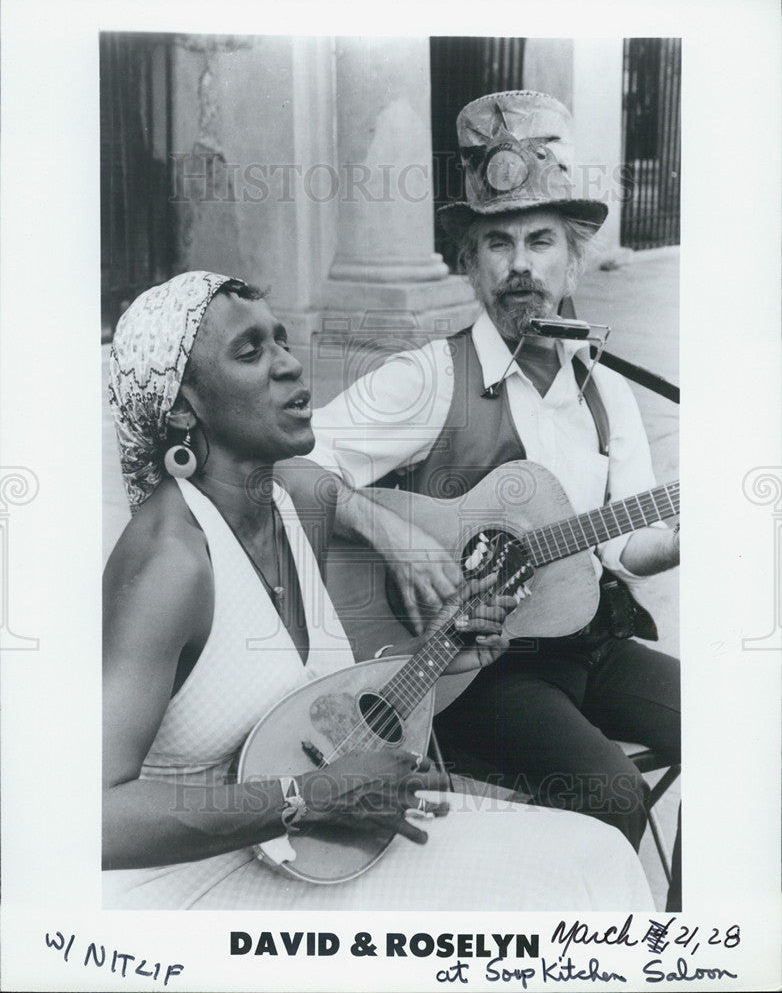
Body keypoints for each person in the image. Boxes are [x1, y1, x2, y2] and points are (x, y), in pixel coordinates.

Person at [102, 270, 655, 911]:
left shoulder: (285, 499)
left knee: (599, 856)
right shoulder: (170, 561)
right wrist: (308, 797)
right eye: (250, 353)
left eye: (281, 340)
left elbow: (330, 488)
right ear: (180, 407)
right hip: (191, 888)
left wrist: (450, 643)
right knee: (553, 898)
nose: (288, 365)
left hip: (318, 848)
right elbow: (94, 819)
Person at [308, 90, 681, 908]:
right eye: (498, 242)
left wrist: (690, 535)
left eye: (541, 241)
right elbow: (291, 464)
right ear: (470, 263)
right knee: (611, 795)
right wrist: (392, 534)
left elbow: (627, 546)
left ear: (573, 259)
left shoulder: (606, 389)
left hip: (591, 640)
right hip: (475, 670)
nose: (521, 264)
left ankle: (681, 941)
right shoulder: (428, 379)